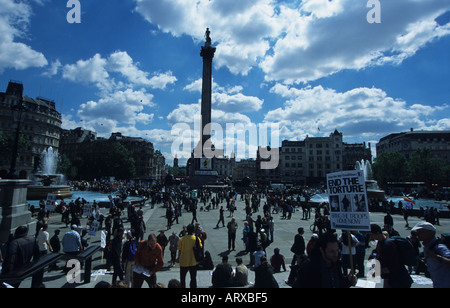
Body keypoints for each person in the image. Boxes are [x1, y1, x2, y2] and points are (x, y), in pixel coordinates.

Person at [369, 224, 413, 288]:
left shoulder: (388, 244)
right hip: (390, 278)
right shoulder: (380, 243)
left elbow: (394, 265)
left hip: (399, 280)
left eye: (371, 235)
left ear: (377, 233)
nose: (371, 237)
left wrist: (379, 271)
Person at [412, 222, 450, 288]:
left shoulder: (439, 247)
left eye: (421, 232)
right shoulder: (428, 247)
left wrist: (435, 256)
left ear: (430, 233)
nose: (418, 234)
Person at [177, 224, 201, 288]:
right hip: (193, 262)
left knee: (182, 279)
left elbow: (179, 250)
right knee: (193, 278)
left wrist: (179, 259)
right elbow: (200, 248)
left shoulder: (182, 239)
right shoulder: (197, 239)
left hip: (183, 261)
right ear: (193, 230)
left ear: (187, 230)